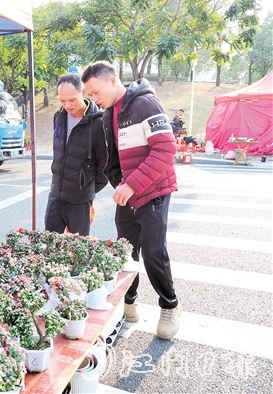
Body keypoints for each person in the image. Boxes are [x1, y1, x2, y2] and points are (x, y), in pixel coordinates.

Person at [81, 61, 180, 340]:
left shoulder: (145, 104)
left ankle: (169, 305)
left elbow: (165, 149)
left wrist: (132, 185)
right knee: (126, 252)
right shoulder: (107, 114)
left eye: (95, 92)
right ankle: (129, 302)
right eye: (90, 95)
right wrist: (120, 184)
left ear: (112, 81)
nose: (94, 99)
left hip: (154, 191)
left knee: (152, 251)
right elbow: (113, 158)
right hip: (129, 193)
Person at [44, 73, 108, 236]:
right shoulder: (59, 118)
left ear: (84, 93)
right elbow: (58, 153)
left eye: (72, 100)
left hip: (80, 202)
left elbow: (104, 167)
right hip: (56, 196)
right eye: (62, 101)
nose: (67, 105)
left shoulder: (99, 123)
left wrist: (86, 189)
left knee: (79, 250)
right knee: (50, 246)